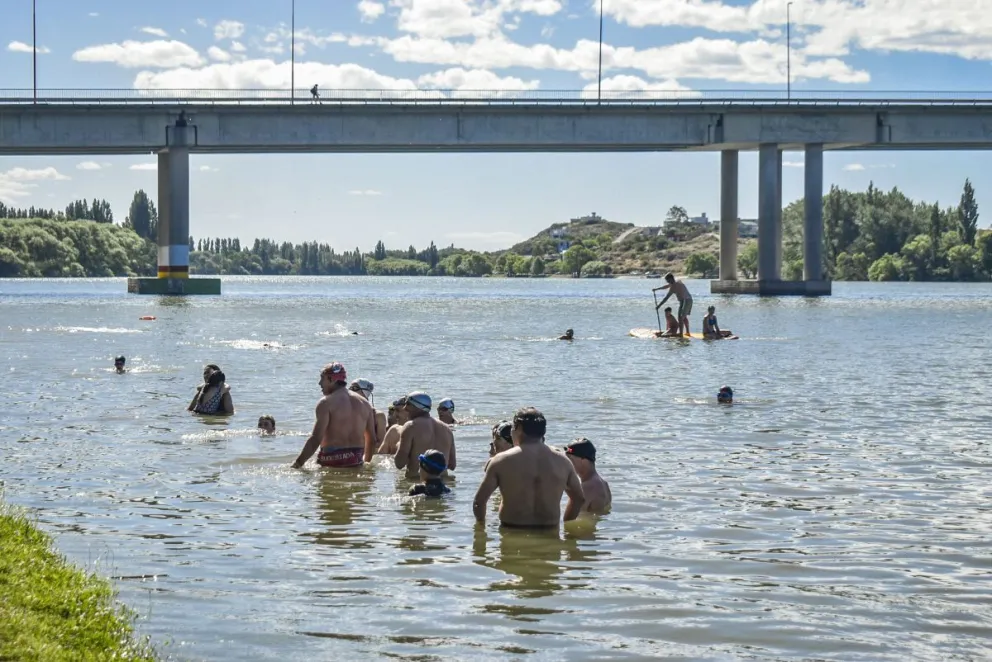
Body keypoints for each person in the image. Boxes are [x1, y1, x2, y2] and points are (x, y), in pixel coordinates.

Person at [473, 407, 585, 527]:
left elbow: (479, 502)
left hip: (511, 532)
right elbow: (578, 499)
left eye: (512, 429)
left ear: (519, 429)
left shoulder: (501, 461)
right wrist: (566, 527)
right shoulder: (563, 461)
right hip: (549, 532)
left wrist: (480, 532)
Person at [291, 362, 376, 469]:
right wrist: (365, 462)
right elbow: (372, 439)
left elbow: (316, 439)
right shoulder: (365, 404)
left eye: (322, 379)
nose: (319, 383)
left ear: (332, 379)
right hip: (355, 461)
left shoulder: (326, 403)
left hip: (331, 461)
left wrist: (298, 463)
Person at [395, 392, 456, 479]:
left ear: (417, 406)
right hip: (442, 484)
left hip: (418, 483)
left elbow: (399, 463)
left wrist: (398, 445)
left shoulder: (410, 426)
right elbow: (452, 465)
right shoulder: (447, 429)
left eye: (408, 404)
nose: (405, 408)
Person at [563, 438, 612, 515]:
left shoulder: (587, 487)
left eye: (570, 459)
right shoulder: (604, 483)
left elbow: (567, 519)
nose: (567, 463)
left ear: (583, 460)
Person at [349, 378, 388, 450]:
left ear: (365, 392)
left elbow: (381, 444)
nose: (351, 390)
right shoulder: (344, 413)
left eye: (354, 388)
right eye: (350, 388)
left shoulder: (378, 416)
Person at [654, 273, 692, 337]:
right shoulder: (677, 281)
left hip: (686, 300)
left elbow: (666, 298)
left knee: (680, 317)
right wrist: (657, 289)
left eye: (668, 280)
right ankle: (687, 332)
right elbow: (667, 286)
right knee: (684, 316)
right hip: (688, 300)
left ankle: (681, 334)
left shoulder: (673, 286)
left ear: (671, 279)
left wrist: (659, 306)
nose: (667, 282)